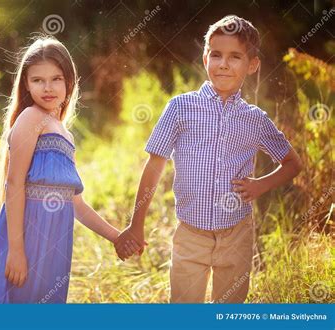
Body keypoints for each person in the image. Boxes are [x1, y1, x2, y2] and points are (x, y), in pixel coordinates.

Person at [114, 15, 303, 303]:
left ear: (252, 65)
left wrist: (260, 186)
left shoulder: (255, 120)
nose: (224, 64)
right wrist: (136, 223)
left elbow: (293, 164)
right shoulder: (180, 108)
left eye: (235, 57)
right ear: (205, 59)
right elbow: (154, 166)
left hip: (237, 234)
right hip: (190, 234)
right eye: (216, 55)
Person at [0, 36, 129, 303]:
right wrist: (16, 250)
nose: (47, 87)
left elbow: (77, 205)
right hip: (25, 239)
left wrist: (116, 237)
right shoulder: (31, 118)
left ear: (69, 82)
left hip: (54, 245)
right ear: (26, 84)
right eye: (38, 80)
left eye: (56, 79)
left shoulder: (66, 135)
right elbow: (14, 184)